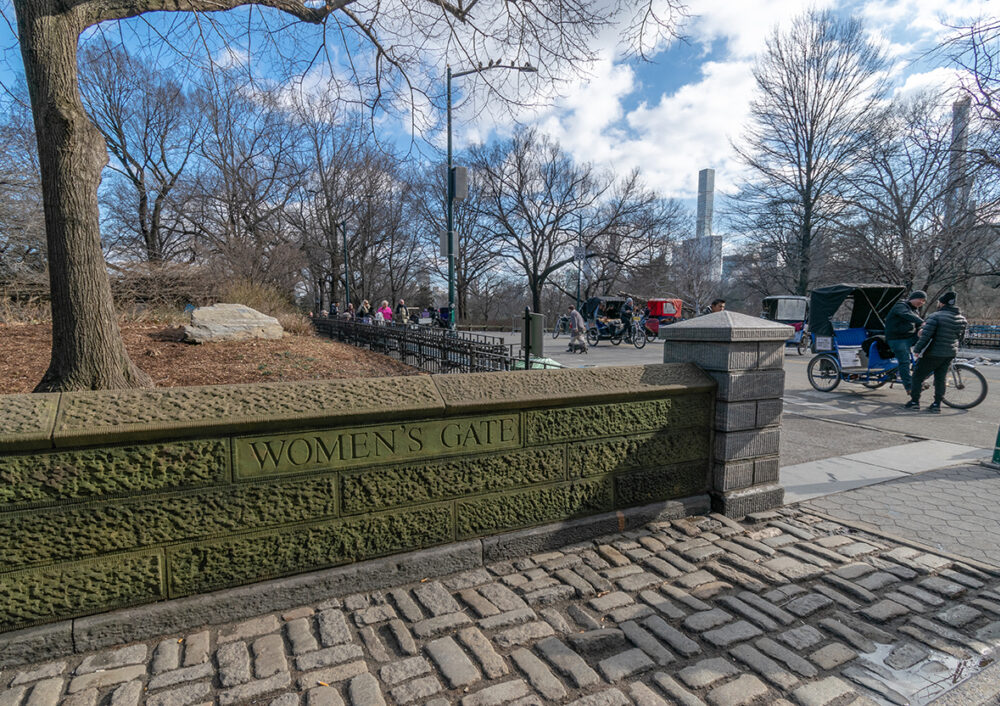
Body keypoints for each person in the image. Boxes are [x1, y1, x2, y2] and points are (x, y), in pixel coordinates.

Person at [904, 291, 967, 413]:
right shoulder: (962, 319)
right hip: (949, 353)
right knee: (940, 378)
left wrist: (917, 350)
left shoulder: (935, 316)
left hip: (933, 353)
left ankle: (914, 402)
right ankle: (936, 405)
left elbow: (926, 335)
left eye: (939, 302)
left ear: (942, 303)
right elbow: (961, 338)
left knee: (917, 376)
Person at [884, 290, 926, 393]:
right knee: (904, 361)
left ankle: (894, 371)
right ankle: (909, 387)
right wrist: (923, 322)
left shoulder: (915, 310)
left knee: (928, 345)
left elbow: (917, 325)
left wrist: (921, 328)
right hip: (897, 338)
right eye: (920, 299)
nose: (921, 302)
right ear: (913, 298)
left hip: (909, 337)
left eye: (924, 301)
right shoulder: (900, 306)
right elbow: (906, 315)